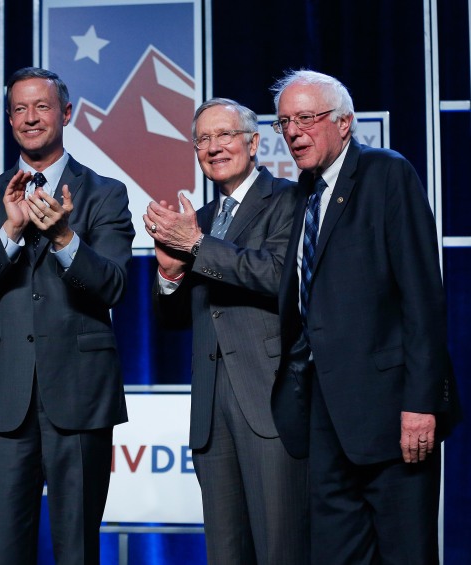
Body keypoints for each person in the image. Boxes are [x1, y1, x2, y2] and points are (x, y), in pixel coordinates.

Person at [269, 69, 462, 564]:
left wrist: (422, 403)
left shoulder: (385, 173)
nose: (293, 132)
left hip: (392, 414)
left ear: (345, 123)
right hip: (323, 416)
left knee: (405, 554)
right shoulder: (302, 195)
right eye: (284, 122)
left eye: (306, 119)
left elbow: (423, 296)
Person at [0, 67, 134, 565]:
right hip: (4, 397)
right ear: (9, 119)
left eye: (42, 106)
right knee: (6, 550)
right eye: (19, 109)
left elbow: (114, 286)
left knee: (76, 547)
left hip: (79, 393)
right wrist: (8, 234)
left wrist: (64, 239)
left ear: (66, 113)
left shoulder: (106, 193)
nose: (30, 118)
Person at [144, 98, 307, 564]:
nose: (214, 147)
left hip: (268, 401)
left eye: (225, 135)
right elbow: (177, 320)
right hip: (212, 413)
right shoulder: (205, 218)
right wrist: (171, 273)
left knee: (281, 548)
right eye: (203, 139)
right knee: (226, 552)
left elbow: (281, 277)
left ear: (254, 143)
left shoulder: (290, 199)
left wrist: (196, 245)